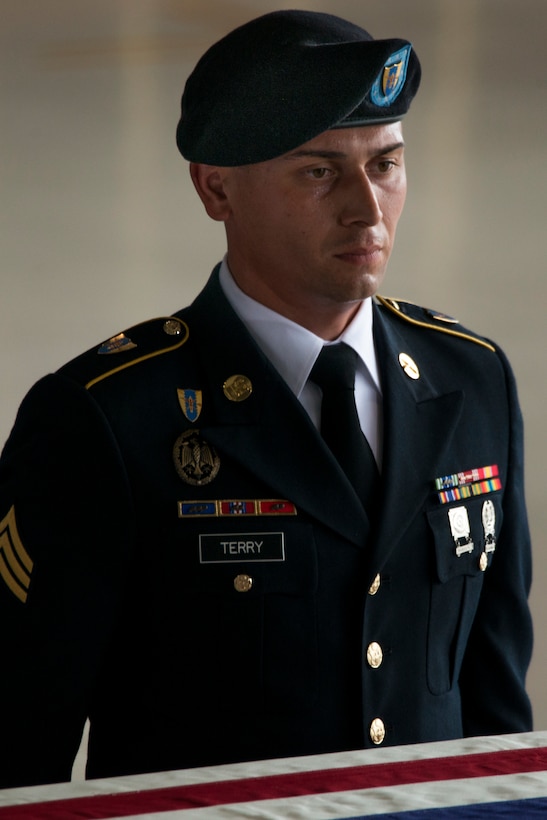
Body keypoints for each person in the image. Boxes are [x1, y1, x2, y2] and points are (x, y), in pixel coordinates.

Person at [0, 9, 533, 789]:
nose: (366, 207)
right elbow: (19, 739)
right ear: (216, 189)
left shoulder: (469, 377)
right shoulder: (107, 418)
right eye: (318, 172)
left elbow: (492, 716)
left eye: (384, 164)